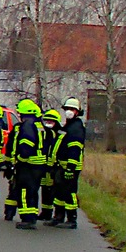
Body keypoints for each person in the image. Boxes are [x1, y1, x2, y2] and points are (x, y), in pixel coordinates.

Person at [46, 97, 87, 229]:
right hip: (61, 166)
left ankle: (71, 219)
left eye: (72, 109)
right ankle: (58, 217)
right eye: (67, 109)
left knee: (70, 192)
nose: (69, 111)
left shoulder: (76, 127)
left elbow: (74, 149)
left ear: (77, 112)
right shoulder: (68, 125)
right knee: (59, 192)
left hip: (70, 167)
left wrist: (70, 168)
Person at [11, 98, 47, 230]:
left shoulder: (27, 125)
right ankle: (31, 217)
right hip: (38, 164)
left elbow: (26, 145)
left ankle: (27, 219)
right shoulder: (38, 124)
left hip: (29, 165)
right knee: (32, 191)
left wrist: (21, 158)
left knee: (25, 191)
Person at [40, 109, 64, 223]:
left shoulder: (58, 134)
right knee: (45, 189)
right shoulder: (44, 132)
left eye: (51, 121)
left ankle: (52, 213)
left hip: (53, 167)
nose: (48, 123)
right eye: (47, 120)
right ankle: (45, 212)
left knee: (52, 190)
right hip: (44, 165)